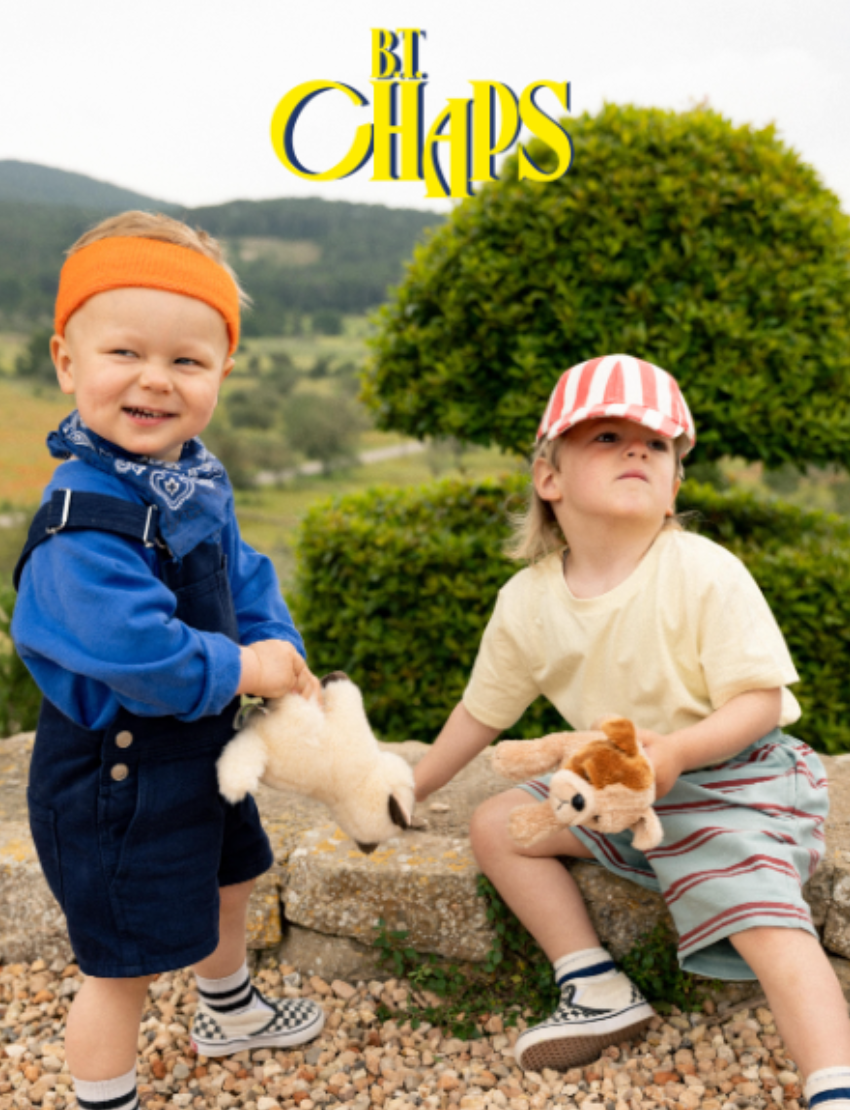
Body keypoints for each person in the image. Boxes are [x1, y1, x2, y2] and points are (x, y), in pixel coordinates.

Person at [414, 354, 850, 1106]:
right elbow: (482, 715)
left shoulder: (705, 571)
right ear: (549, 477)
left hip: (734, 778)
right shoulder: (527, 601)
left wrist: (679, 751)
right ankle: (592, 980)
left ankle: (833, 1083)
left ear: (675, 483)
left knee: (762, 912)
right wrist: (407, 790)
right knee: (497, 825)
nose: (638, 451)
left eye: (656, 444)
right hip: (615, 789)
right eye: (608, 437)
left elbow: (759, 703)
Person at [12, 212, 325, 1110]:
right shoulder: (84, 521)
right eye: (124, 354)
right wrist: (246, 672)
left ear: (222, 370)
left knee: (234, 878)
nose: (156, 380)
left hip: (195, 755)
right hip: (112, 778)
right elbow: (139, 654)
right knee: (123, 967)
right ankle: (102, 1097)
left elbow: (243, 572)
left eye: (188, 361)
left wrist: (281, 647)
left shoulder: (187, 477)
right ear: (67, 361)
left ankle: (228, 1009)